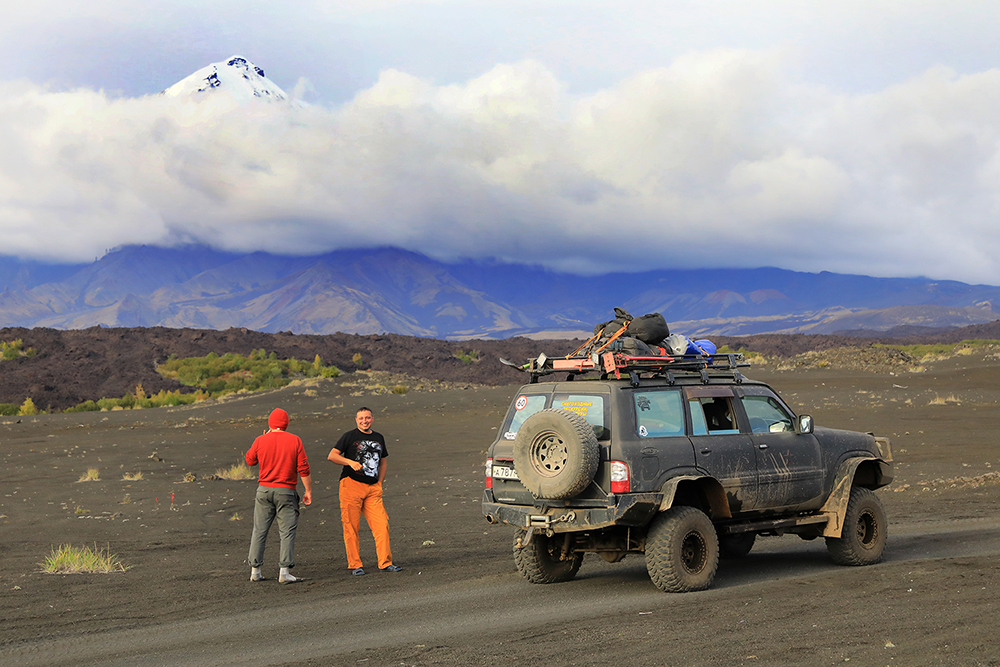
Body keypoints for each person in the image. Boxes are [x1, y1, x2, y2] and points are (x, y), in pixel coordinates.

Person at [328, 406, 401, 576]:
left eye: (367, 418)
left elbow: (383, 462)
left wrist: (379, 483)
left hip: (372, 488)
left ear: (372, 419)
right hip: (351, 485)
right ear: (356, 419)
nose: (364, 421)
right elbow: (332, 455)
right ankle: (355, 565)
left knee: (382, 525)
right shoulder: (349, 436)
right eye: (361, 418)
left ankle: (385, 562)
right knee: (351, 526)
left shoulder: (378, 437)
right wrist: (350, 462)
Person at [246, 408, 312, 584]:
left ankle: (255, 570)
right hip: (286, 491)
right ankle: (284, 571)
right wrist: (308, 491)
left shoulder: (261, 440)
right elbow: (303, 468)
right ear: (286, 423)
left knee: (259, 530)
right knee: (287, 531)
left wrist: (263, 438)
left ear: (270, 423)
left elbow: (250, 460)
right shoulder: (295, 440)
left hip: (264, 490)